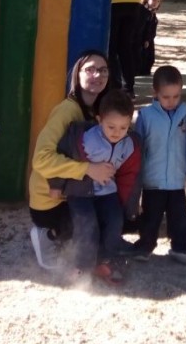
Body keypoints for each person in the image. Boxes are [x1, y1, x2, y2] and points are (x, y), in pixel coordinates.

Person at [28, 51, 114, 270]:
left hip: (77, 192)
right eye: (90, 69)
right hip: (51, 200)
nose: (98, 75)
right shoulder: (67, 111)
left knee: (115, 217)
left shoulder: (98, 111)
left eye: (103, 70)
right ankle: (48, 233)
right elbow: (41, 159)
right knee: (89, 229)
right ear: (78, 74)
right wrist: (88, 169)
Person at [50, 89, 142, 284]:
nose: (117, 133)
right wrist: (56, 185)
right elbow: (62, 154)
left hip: (108, 191)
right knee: (86, 223)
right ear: (99, 120)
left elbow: (130, 175)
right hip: (80, 191)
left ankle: (105, 260)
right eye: (111, 127)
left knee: (115, 221)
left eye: (123, 128)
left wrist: (131, 203)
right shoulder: (84, 138)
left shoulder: (129, 145)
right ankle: (82, 265)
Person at [131, 65, 186, 264]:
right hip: (153, 179)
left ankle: (180, 247)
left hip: (176, 178)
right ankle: (145, 245)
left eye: (176, 96)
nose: (171, 101)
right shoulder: (146, 116)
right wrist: (137, 174)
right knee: (150, 217)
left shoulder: (184, 114)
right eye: (166, 97)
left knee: (180, 218)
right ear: (155, 93)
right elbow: (139, 146)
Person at [139, 0, 163, 78]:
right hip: (142, 40)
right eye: (153, 0)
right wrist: (145, 39)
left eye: (158, 1)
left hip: (149, 40)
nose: (155, 3)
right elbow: (142, 28)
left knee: (149, 58)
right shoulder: (142, 11)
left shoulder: (151, 13)